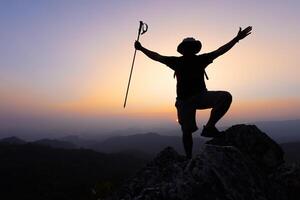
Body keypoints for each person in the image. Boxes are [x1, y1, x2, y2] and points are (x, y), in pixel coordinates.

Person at [134, 26, 252, 158]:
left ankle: (209, 128)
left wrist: (236, 39)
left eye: (190, 47)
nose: (189, 49)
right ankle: (190, 155)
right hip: (187, 100)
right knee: (187, 130)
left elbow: (157, 57)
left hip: (194, 98)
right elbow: (220, 51)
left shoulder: (182, 61)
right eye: (188, 47)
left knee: (224, 97)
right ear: (186, 49)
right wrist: (142, 49)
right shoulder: (189, 60)